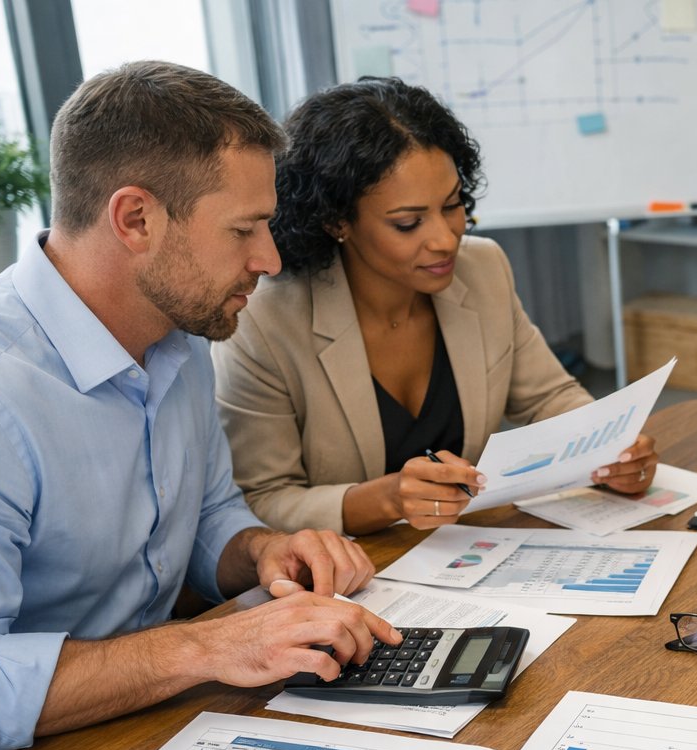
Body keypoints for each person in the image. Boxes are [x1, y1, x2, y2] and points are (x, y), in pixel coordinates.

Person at [0, 62, 401, 750]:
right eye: (245, 230)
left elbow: (204, 516)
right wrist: (203, 645)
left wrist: (262, 550)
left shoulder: (178, 331)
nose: (268, 258)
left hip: (152, 724)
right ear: (136, 219)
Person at [212, 78, 658, 535]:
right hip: (349, 572)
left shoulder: (482, 268)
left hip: (463, 555)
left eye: (452, 205)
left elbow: (547, 398)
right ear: (336, 220)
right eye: (408, 223)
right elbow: (263, 501)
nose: (446, 240)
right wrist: (385, 499)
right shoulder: (265, 320)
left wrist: (610, 448)